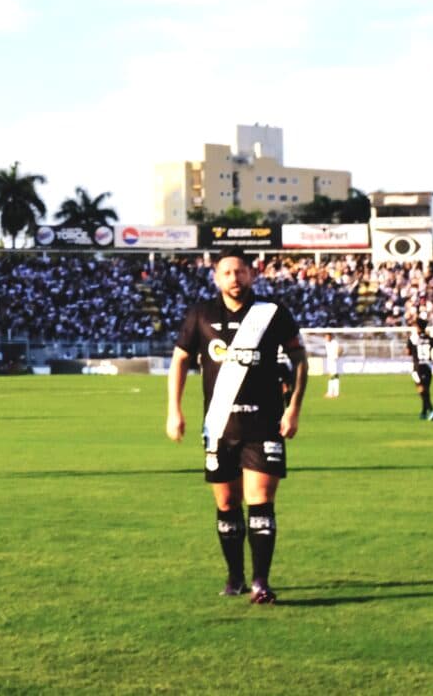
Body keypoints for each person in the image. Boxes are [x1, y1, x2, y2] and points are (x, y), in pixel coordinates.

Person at [166, 250, 308, 605]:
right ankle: (235, 577)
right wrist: (174, 410)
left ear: (251, 275)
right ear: (216, 278)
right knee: (227, 503)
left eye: (240, 271)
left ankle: (261, 581)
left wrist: (293, 409)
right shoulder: (201, 315)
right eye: (227, 272)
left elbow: (299, 358)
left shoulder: (271, 314)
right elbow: (180, 360)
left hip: (264, 424)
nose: (234, 278)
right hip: (218, 426)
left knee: (260, 500)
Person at [409, 318, 433, 420]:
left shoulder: (413, 339)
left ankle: (431, 410)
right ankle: (423, 413)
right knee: (426, 390)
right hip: (428, 366)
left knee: (421, 390)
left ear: (418, 327)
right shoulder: (431, 339)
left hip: (417, 367)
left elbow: (407, 352)